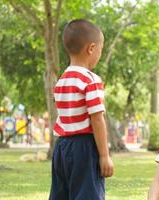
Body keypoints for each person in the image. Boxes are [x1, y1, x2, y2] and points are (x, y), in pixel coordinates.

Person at [49, 19, 114, 200]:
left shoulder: (61, 81)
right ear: (91, 48)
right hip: (84, 147)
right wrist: (104, 156)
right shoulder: (90, 80)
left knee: (61, 195)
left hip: (61, 148)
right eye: (100, 50)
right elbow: (97, 119)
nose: (99, 55)